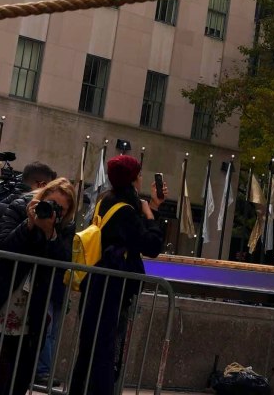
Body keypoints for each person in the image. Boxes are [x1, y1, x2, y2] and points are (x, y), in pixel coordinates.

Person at [0, 172, 83, 395]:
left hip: (31, 306)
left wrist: (50, 233)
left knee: (18, 372)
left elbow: (64, 261)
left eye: (60, 210)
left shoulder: (64, 226)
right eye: (51, 204)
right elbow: (2, 247)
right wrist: (28, 224)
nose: (53, 211)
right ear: (42, 196)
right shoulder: (18, 208)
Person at [69, 153, 177, 394]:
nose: (141, 178)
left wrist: (153, 207)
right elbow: (150, 246)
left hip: (95, 281)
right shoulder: (126, 210)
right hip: (112, 288)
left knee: (90, 347)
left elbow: (132, 239)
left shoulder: (105, 200)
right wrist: (151, 216)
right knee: (106, 349)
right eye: (139, 174)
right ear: (133, 179)